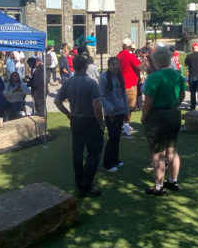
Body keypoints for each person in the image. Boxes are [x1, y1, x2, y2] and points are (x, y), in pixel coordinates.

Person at [55, 54, 105, 198]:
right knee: (94, 153)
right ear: (86, 66)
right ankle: (87, 184)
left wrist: (68, 114)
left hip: (76, 120)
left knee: (77, 152)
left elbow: (58, 101)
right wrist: (101, 122)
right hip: (90, 121)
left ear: (74, 67)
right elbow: (96, 105)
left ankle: (80, 184)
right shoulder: (91, 83)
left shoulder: (68, 83)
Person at [141, 46, 186, 196]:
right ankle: (173, 180)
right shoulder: (177, 75)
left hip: (157, 117)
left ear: (155, 61)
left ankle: (159, 186)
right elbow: (181, 96)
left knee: (157, 153)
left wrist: (143, 117)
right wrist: (175, 104)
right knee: (172, 150)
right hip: (173, 114)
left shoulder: (153, 77)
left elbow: (148, 102)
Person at [99, 56, 129, 173]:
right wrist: (109, 109)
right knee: (112, 137)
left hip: (120, 111)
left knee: (117, 137)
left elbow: (124, 95)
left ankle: (115, 159)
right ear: (109, 65)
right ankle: (107, 163)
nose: (116, 66)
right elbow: (101, 96)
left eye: (117, 64)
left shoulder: (120, 77)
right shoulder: (104, 78)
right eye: (113, 64)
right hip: (111, 113)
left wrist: (126, 110)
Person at [117, 38, 141, 133]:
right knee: (129, 107)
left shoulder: (118, 55)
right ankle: (125, 125)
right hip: (130, 84)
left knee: (123, 106)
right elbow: (139, 66)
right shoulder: (130, 55)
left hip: (121, 84)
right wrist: (144, 61)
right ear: (130, 46)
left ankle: (124, 125)